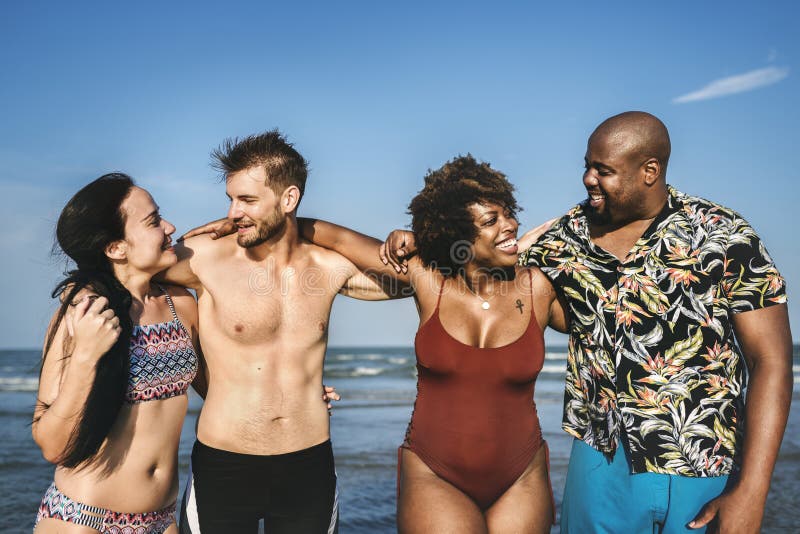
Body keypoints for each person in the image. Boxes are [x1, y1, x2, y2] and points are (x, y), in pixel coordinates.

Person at [387, 112, 793, 533]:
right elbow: (476, 260)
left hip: (703, 465)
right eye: (587, 166)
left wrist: (752, 489)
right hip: (599, 466)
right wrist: (421, 240)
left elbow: (771, 361)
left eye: (604, 170)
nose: (588, 179)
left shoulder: (724, 235)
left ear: (649, 171)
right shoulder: (562, 239)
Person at [268, 155, 568, 532]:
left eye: (508, 213)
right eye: (491, 221)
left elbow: (604, 319)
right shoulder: (427, 279)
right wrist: (261, 221)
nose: (510, 225)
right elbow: (334, 237)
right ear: (458, 236)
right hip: (435, 472)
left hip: (521, 473)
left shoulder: (538, 287)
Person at [163, 130, 394, 533]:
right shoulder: (207, 259)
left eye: (247, 200)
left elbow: (407, 279)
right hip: (224, 463)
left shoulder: (326, 267)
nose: (234, 211)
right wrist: (225, 224)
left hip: (308, 464)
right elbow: (135, 262)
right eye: (231, 200)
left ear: (289, 199)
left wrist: (317, 229)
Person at [33, 173, 205, 534]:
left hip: (162, 519)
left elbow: (220, 388)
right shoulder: (83, 314)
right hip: (85, 518)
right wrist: (84, 358)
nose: (170, 226)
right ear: (115, 247)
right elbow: (51, 445)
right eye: (154, 221)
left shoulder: (181, 305)